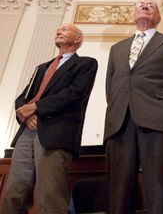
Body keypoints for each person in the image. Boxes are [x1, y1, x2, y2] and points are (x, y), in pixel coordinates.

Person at [104, 0, 163, 214]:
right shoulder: (117, 48)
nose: (144, 7)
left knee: (158, 188)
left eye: (150, 6)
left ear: (158, 17)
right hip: (119, 123)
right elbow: (111, 87)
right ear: (134, 16)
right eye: (139, 6)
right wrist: (119, 109)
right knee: (119, 191)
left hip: (157, 121)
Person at [0, 23, 98, 214]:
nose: (58, 31)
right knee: (14, 192)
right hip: (27, 131)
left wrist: (35, 107)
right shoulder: (41, 67)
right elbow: (24, 96)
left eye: (65, 30)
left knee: (50, 194)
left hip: (55, 132)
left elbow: (74, 94)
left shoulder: (86, 63)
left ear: (77, 39)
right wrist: (26, 116)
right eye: (57, 30)